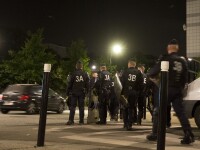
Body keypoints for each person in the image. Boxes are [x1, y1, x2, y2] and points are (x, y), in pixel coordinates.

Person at [146, 39, 195, 144]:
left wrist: (157, 81)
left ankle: (155, 134)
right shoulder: (182, 61)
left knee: (157, 112)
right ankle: (189, 134)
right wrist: (181, 89)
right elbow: (185, 77)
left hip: (166, 89)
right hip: (178, 90)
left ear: (168, 48)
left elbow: (152, 72)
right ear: (177, 48)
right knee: (181, 113)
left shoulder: (165, 58)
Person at [121, 58, 143, 130]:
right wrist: (138, 92)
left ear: (129, 64)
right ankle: (130, 125)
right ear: (135, 64)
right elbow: (141, 84)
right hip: (134, 92)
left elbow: (121, 83)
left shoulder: (125, 72)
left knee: (125, 108)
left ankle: (125, 124)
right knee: (131, 108)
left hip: (125, 92)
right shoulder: (138, 72)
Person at [66, 60, 90, 125]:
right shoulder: (85, 74)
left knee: (72, 107)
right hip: (82, 92)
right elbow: (88, 84)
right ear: (82, 66)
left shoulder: (73, 73)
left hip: (74, 92)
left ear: (76, 66)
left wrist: (67, 92)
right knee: (81, 107)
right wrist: (88, 92)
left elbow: (70, 84)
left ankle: (71, 120)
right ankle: (81, 121)